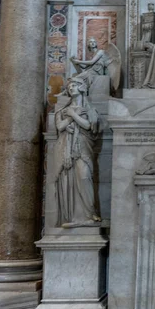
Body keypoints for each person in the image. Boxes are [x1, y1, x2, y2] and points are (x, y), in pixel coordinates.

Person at [54, 77, 101, 228]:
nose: (71, 88)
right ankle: (74, 217)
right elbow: (60, 126)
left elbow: (88, 126)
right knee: (70, 181)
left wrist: (73, 116)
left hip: (84, 148)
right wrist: (72, 117)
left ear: (82, 88)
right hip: (67, 150)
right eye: (69, 86)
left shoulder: (90, 110)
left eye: (75, 85)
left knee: (84, 177)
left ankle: (90, 214)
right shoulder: (63, 111)